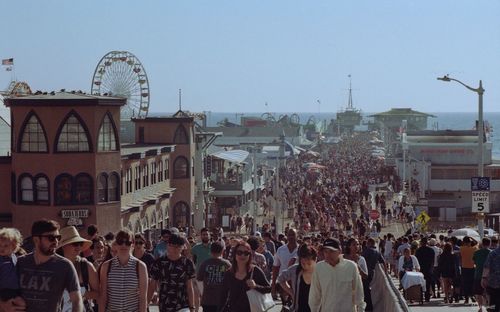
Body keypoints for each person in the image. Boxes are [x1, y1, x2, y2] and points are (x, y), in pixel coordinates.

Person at [1, 219, 83, 312]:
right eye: (51, 238)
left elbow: (76, 300)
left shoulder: (65, 266)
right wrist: (3, 305)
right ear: (36, 240)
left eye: (58, 237)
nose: (56, 242)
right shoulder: (19, 262)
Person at [309, 238, 365, 312]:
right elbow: (314, 296)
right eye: (325, 251)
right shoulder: (319, 268)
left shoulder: (351, 267)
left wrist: (361, 310)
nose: (328, 255)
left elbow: (359, 294)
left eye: (331, 251)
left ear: (339, 251)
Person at [99, 230, 148, 312]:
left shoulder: (140, 267)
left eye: (127, 242)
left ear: (132, 244)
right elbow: (103, 297)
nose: (123, 245)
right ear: (115, 244)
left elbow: (143, 299)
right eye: (120, 242)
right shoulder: (106, 266)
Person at [148, 233, 196, 312]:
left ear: (182, 248)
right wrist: (146, 303)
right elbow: (152, 285)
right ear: (167, 246)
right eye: (172, 245)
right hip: (165, 305)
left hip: (183, 304)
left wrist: (192, 307)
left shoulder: (187, 263)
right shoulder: (159, 263)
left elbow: (190, 287)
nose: (175, 249)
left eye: (178, 246)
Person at [219, 241, 271, 312]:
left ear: (249, 255)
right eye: (239, 252)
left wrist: (256, 286)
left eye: (246, 253)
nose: (242, 256)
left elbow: (269, 289)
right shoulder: (229, 274)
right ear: (234, 254)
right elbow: (223, 297)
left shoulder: (255, 271)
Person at [58, 226, 99, 312]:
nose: (79, 247)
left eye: (80, 243)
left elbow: (99, 293)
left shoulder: (86, 266)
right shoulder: (53, 266)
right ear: (63, 246)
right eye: (75, 244)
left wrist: (82, 293)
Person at [278, 244, 317, 312]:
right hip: (298, 308)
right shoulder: (295, 270)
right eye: (303, 263)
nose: (306, 266)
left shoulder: (320, 271)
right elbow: (281, 278)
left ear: (315, 260)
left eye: (309, 264)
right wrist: (292, 292)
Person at [196, 242, 231, 312]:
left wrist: (202, 293)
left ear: (210, 251)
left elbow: (199, 280)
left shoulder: (205, 263)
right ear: (222, 251)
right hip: (223, 300)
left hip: (207, 300)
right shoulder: (227, 264)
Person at [0, 228, 25, 309]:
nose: (1, 248)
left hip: (16, 290)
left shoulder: (15, 257)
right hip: (4, 289)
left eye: (5, 245)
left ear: (14, 247)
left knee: (22, 304)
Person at [272, 229, 298, 305]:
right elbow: (275, 267)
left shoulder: (301, 250)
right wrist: (273, 284)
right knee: (285, 305)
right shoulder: (280, 250)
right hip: (283, 282)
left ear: (297, 236)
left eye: (293, 235)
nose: (291, 237)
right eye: (289, 235)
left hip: (296, 283)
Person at [361, 237, 385, 310]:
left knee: (365, 291)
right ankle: (369, 307)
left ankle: (368, 307)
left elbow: (360, 259)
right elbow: (383, 262)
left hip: (364, 273)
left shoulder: (366, 251)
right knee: (366, 289)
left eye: (367, 243)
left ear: (369, 243)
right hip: (371, 273)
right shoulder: (377, 252)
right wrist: (386, 273)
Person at [191, 228, 211, 311]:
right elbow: (191, 259)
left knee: (208, 296)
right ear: (200, 236)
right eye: (203, 234)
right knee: (197, 294)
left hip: (211, 275)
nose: (205, 236)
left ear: (209, 235)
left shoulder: (214, 247)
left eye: (207, 234)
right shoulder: (196, 248)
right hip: (199, 274)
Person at [481, 237, 500, 312]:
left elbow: (487, 267)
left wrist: (484, 278)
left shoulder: (493, 253)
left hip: (493, 283)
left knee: (493, 302)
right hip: (493, 282)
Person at [473, 237, 491, 312]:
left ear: (482, 243)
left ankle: (480, 307)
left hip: (478, 274)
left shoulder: (476, 253)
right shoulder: (491, 252)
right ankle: (490, 306)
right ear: (489, 244)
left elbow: (474, 262)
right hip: (489, 276)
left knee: (478, 293)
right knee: (489, 293)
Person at [414, 237, 435, 302]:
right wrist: (432, 268)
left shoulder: (418, 250)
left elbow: (416, 261)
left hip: (421, 269)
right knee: (428, 283)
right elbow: (433, 261)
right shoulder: (431, 250)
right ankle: (427, 297)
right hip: (428, 269)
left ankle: (420, 296)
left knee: (420, 283)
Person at [460, 236, 478, 304]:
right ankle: (472, 295)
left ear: (464, 242)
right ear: (470, 242)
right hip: (472, 267)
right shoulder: (474, 248)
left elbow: (461, 245)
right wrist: (471, 237)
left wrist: (464, 242)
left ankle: (466, 298)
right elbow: (476, 242)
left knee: (465, 283)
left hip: (464, 267)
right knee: (472, 283)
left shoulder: (461, 248)